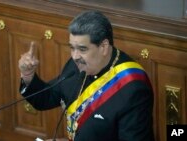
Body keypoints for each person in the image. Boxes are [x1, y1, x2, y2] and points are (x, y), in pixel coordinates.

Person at [18, 10, 154, 141]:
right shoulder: (77, 64)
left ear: (104, 47)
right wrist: (28, 75)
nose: (75, 56)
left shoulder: (133, 88)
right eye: (72, 48)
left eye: (82, 49)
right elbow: (47, 98)